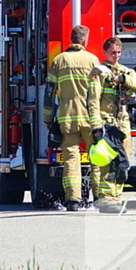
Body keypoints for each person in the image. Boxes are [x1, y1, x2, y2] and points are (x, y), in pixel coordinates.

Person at [87, 37, 136, 213]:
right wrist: (96, 126)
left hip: (123, 123)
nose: (116, 56)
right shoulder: (98, 72)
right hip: (106, 122)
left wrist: (125, 80)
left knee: (123, 162)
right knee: (109, 162)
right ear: (105, 52)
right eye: (113, 52)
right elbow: (93, 101)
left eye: (119, 52)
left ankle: (116, 197)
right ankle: (106, 199)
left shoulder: (125, 71)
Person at [44, 25, 99, 212]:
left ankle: (73, 200)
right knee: (96, 157)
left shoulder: (59, 60)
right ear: (85, 40)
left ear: (71, 39)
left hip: (67, 118)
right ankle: (98, 197)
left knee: (71, 160)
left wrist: (47, 117)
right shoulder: (92, 60)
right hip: (90, 118)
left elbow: (49, 92)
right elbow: (98, 92)